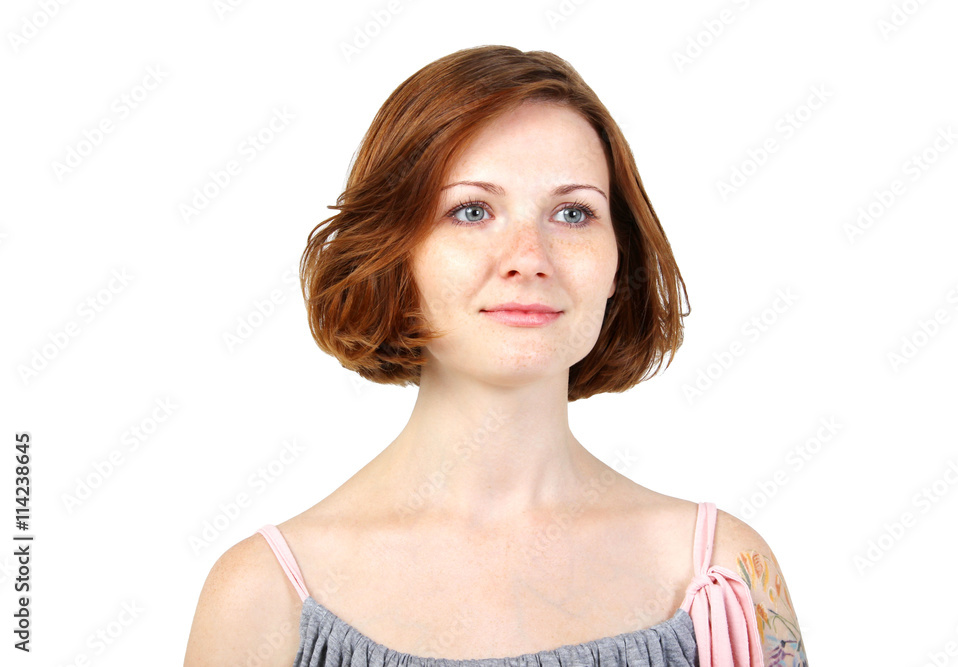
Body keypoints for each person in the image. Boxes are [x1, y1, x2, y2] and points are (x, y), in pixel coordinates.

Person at [184, 45, 808, 667]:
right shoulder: (263, 596)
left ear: (621, 262)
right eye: (472, 210)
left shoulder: (729, 575)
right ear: (396, 255)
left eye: (573, 212)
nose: (528, 256)